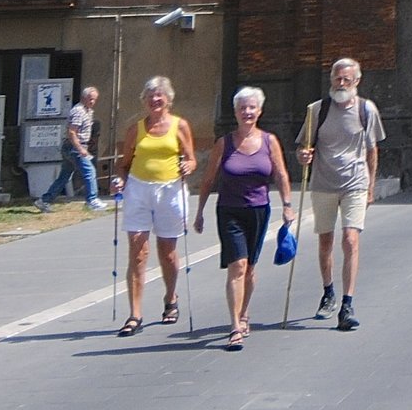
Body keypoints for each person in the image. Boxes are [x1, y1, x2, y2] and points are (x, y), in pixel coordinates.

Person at [193, 86, 292, 350]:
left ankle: (245, 311)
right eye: (242, 108)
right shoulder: (224, 143)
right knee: (238, 264)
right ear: (235, 112)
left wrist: (287, 205)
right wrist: (200, 211)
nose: (247, 112)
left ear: (259, 111)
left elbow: (281, 174)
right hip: (229, 210)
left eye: (252, 107)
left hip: (259, 210)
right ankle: (235, 325)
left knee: (250, 267)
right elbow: (208, 179)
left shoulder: (270, 141)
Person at [297, 56, 385, 332]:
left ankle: (347, 303)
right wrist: (303, 156)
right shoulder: (317, 110)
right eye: (337, 78)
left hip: (355, 184)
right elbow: (304, 147)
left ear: (357, 81)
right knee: (326, 242)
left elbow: (372, 150)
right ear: (331, 79)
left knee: (350, 240)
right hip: (323, 183)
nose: (341, 83)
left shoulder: (366, 110)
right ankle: (328, 292)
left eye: (347, 79)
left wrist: (371, 186)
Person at [109, 76, 196, 336]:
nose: (155, 100)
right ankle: (135, 314)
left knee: (167, 250)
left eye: (160, 96)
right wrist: (118, 181)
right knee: (137, 250)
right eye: (150, 96)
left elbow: (191, 160)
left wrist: (187, 166)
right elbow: (123, 165)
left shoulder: (180, 126)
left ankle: (171, 298)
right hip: (139, 189)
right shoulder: (135, 129)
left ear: (168, 100)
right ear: (144, 101)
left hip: (170, 190)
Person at [37, 86, 105, 213]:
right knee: (90, 172)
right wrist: (80, 149)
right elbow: (72, 132)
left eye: (94, 100)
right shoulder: (78, 111)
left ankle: (44, 200)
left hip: (77, 146)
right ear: (83, 98)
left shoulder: (88, 111)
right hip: (74, 147)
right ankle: (92, 200)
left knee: (64, 176)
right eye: (90, 99)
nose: (92, 102)